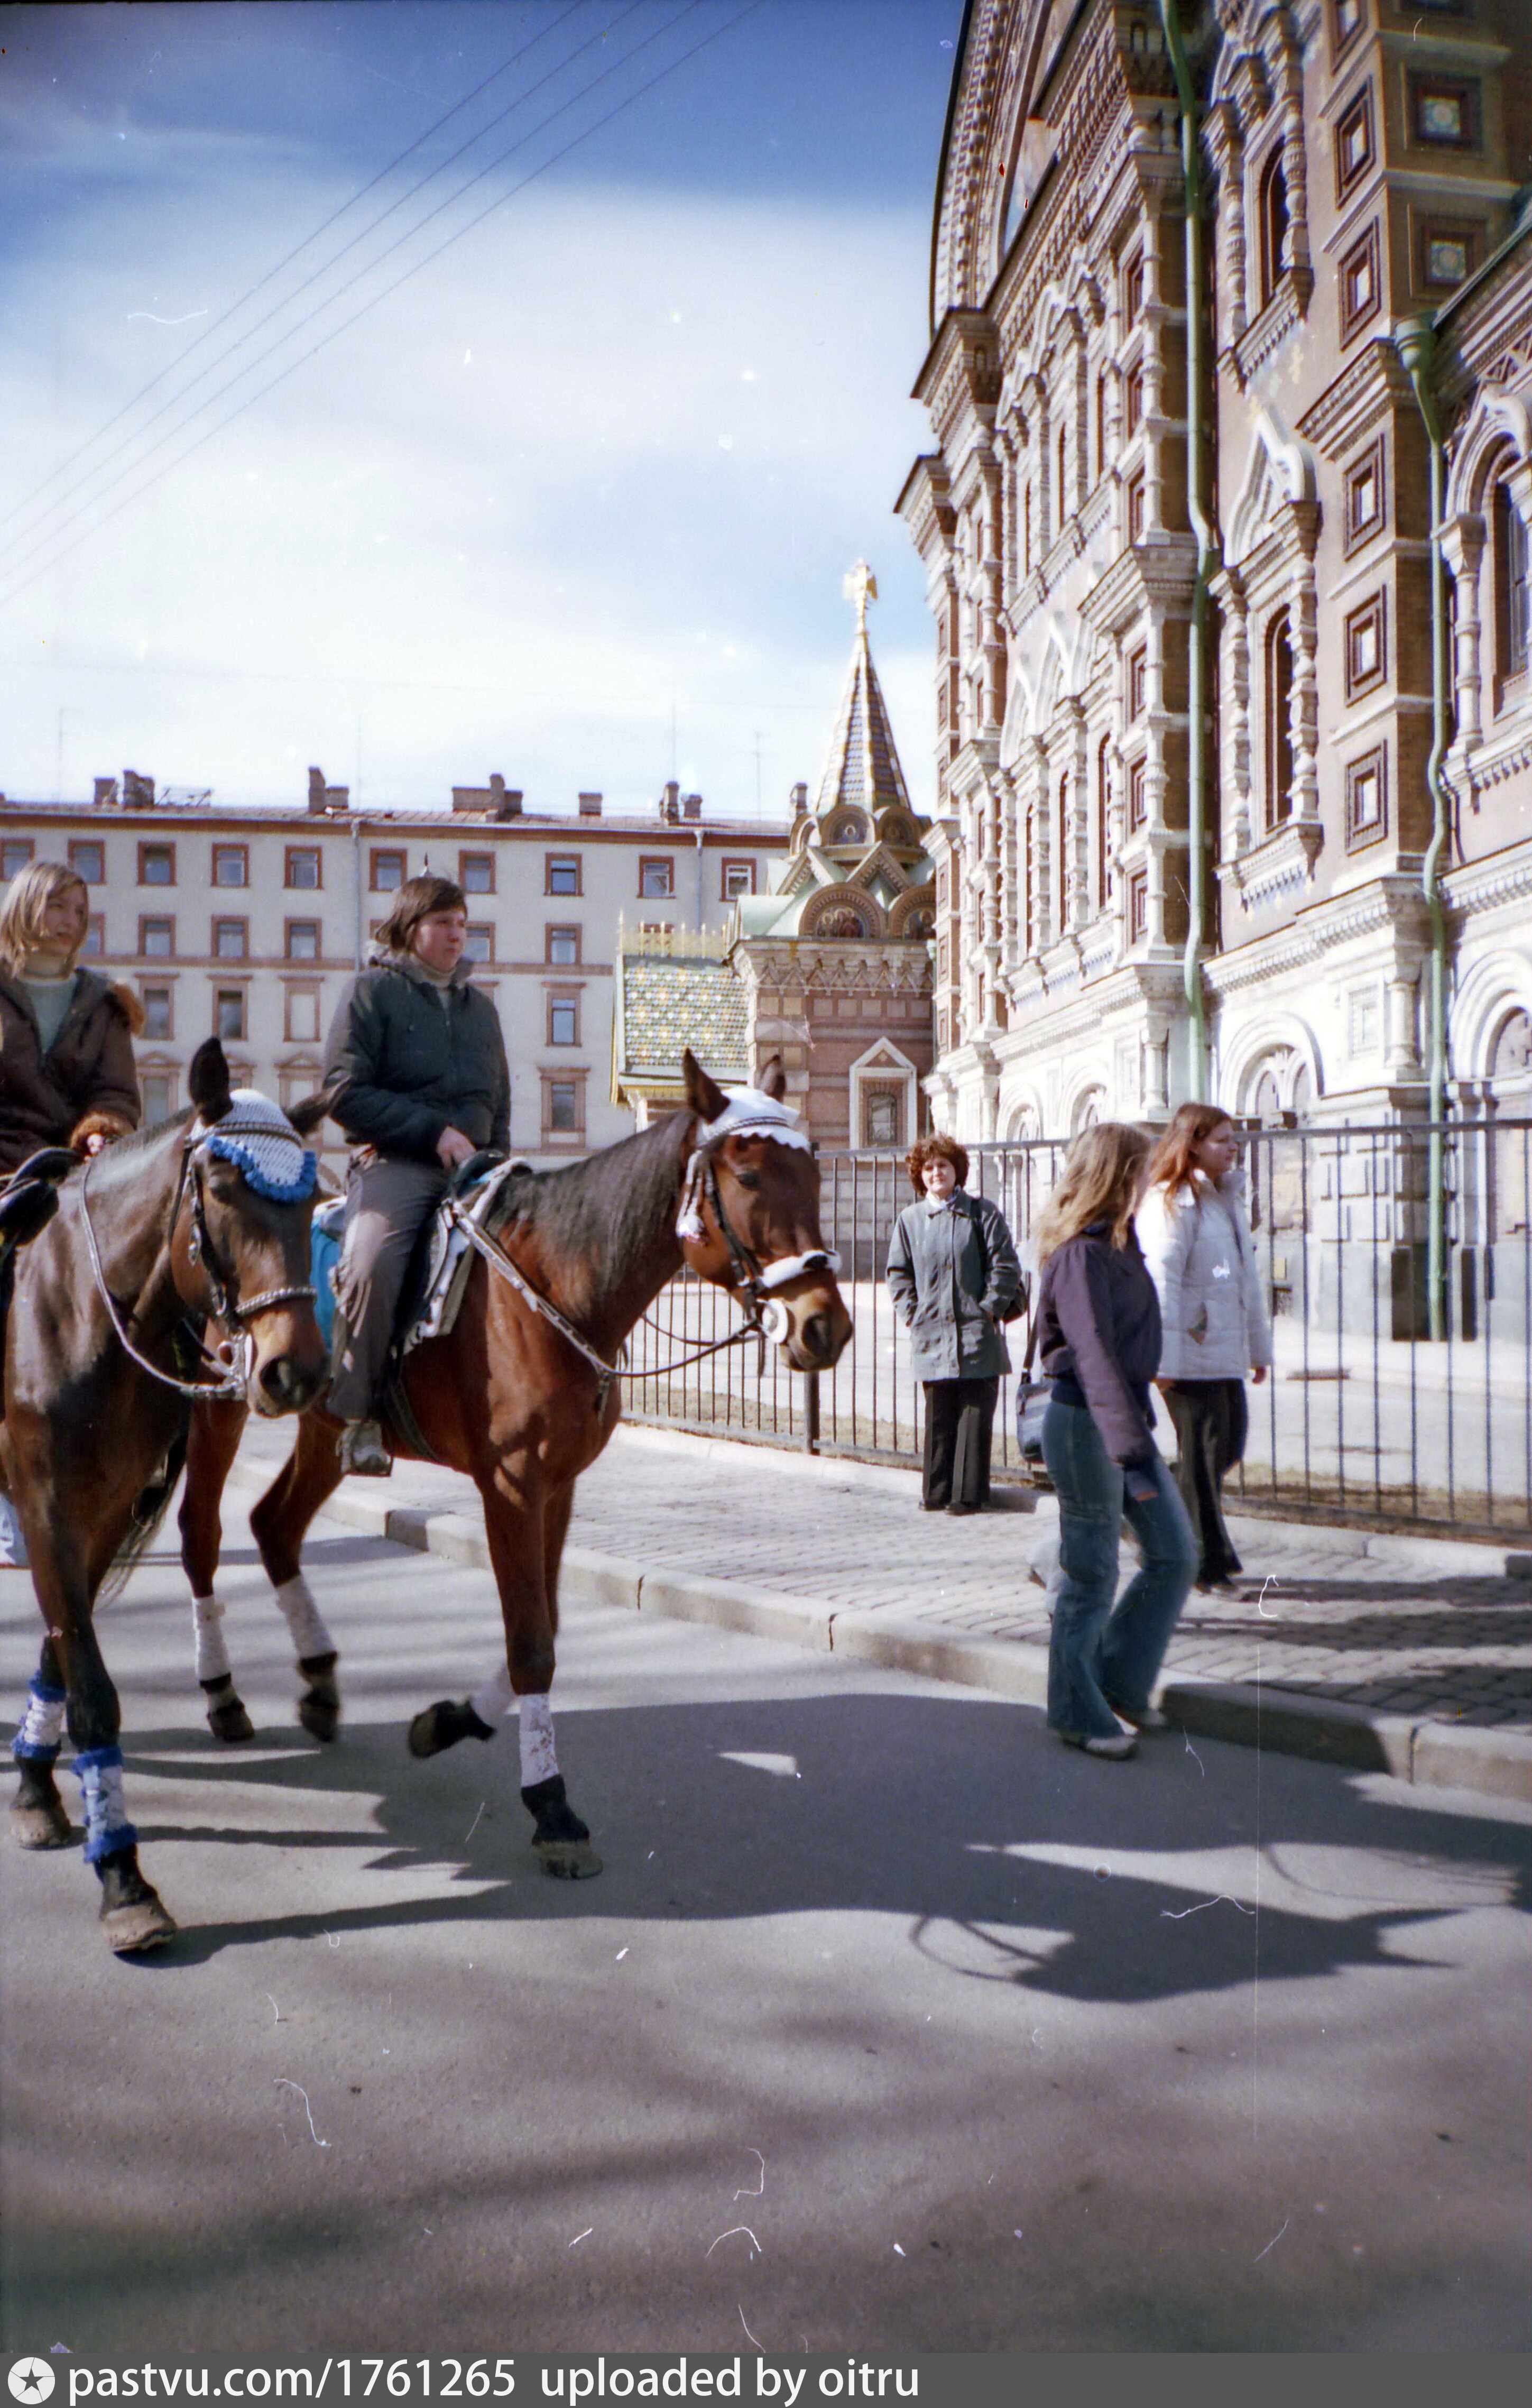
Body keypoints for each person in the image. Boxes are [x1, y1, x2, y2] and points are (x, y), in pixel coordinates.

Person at [321, 874, 510, 1475]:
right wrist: (434, 1133)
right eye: (443, 923)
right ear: (410, 929)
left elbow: (499, 1101)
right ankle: (358, 1418)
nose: (457, 934)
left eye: (463, 923)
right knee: (374, 1262)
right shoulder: (372, 992)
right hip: (397, 1165)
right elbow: (342, 1092)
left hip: (480, 1169)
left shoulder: (482, 1010)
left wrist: (499, 1161)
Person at [1033, 1122, 1196, 1759]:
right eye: (1141, 1169)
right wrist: (1131, 1453)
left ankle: (1120, 1683)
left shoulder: (1121, 1246)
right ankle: (1076, 1712)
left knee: (1175, 1553)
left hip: (1123, 1424)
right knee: (1093, 1572)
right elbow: (1094, 1357)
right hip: (1087, 1428)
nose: (1150, 1179)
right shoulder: (1080, 1255)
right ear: (1115, 1174)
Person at [1136, 1103, 1273, 1593]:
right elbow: (1162, 1281)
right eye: (1220, 1139)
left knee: (1226, 1445)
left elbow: (1244, 1285)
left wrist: (1257, 1351)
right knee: (1204, 1454)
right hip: (1187, 1355)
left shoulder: (1224, 1198)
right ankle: (1206, 1566)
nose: (1232, 1147)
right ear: (1191, 1143)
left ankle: (1144, 1512)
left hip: (1222, 1352)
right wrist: (1163, 1361)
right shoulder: (1172, 1202)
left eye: (1233, 1138)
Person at [887, 1132, 1022, 1514]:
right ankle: (936, 1491)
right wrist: (913, 1314)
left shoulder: (983, 1213)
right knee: (939, 1415)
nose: (936, 1174)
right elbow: (898, 1274)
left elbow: (1006, 1264)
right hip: (932, 1334)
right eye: (928, 1168)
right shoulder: (910, 1221)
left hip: (976, 1334)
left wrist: (990, 1309)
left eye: (942, 1166)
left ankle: (968, 1496)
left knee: (974, 1414)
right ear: (920, 1176)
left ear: (956, 1170)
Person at [0, 860, 142, 1178]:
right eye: (58, 906)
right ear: (25, 907)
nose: (70, 920)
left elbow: (116, 1094)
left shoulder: (105, 1003)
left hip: (73, 1172)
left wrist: (101, 1133)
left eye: (80, 911)